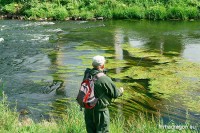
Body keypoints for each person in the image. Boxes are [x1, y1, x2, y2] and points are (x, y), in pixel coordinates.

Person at [83, 55, 124, 133]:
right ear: (103, 66)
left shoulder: (87, 74)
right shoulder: (104, 78)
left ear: (92, 65)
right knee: (103, 131)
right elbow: (115, 94)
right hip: (100, 112)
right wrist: (121, 91)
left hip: (88, 110)